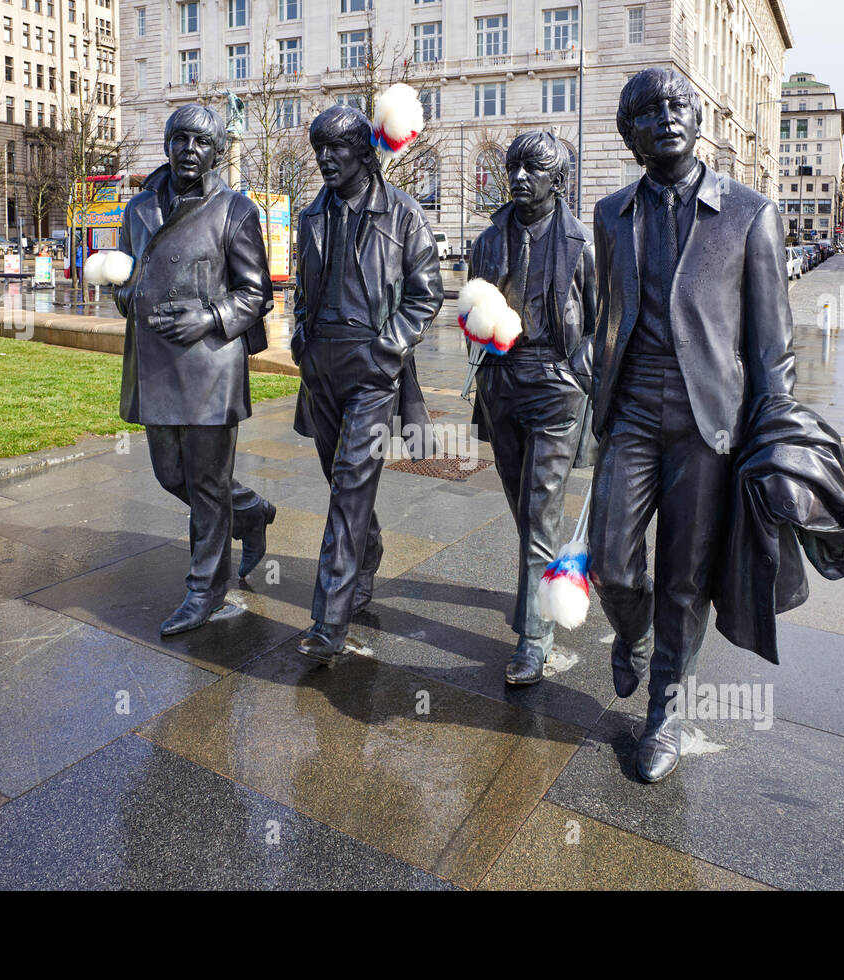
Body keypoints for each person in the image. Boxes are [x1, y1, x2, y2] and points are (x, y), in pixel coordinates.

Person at [589, 67, 796, 783]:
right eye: (648, 110)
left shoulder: (749, 213)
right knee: (611, 562)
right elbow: (604, 316)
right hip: (632, 410)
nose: (667, 116)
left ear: (697, 120)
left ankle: (665, 714)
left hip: (710, 421)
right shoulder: (610, 212)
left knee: (685, 577)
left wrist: (776, 436)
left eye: (679, 104)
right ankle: (632, 633)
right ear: (631, 133)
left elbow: (773, 347)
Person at [112, 104, 278, 636]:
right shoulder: (137, 208)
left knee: (206, 485)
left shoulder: (235, 210)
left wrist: (208, 315)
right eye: (180, 139)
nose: (189, 150)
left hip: (210, 364)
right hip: (156, 363)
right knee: (171, 475)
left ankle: (204, 589)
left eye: (201, 142)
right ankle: (249, 511)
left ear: (217, 152)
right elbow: (128, 277)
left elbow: (257, 294)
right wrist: (125, 292)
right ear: (166, 144)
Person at [289, 105, 443, 662]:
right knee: (342, 482)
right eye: (319, 149)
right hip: (321, 368)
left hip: (373, 370)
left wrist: (389, 348)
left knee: (352, 485)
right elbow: (302, 291)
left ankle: (329, 620)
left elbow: (427, 294)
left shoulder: (400, 214)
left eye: (336, 148)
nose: (325, 159)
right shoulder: (311, 216)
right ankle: (367, 549)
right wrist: (300, 339)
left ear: (363, 151)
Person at [466, 131, 596, 686]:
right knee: (524, 504)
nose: (518, 178)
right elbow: (470, 309)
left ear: (558, 180)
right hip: (502, 382)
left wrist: (577, 371)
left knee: (542, 508)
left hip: (556, 386)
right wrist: (481, 332)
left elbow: (603, 322)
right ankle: (542, 588)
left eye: (533, 170)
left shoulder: (583, 243)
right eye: (514, 167)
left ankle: (534, 639)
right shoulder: (489, 238)